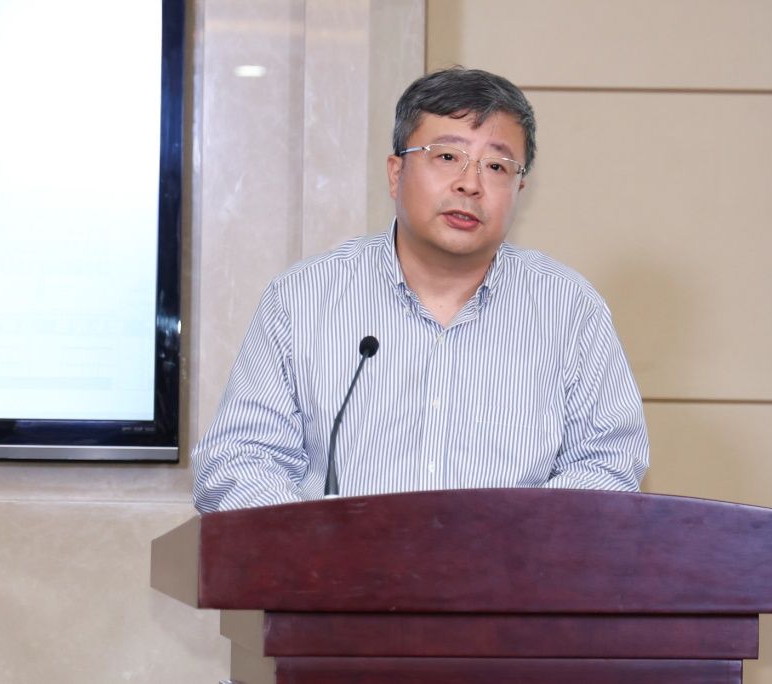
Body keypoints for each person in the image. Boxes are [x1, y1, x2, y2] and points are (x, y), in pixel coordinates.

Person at [192, 67, 649, 513]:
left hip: (507, 565)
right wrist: (317, 547)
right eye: (447, 157)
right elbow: (238, 459)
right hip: (332, 565)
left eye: (496, 166)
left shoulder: (568, 309)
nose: (470, 184)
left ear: (519, 188)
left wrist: (505, 545)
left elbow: (607, 464)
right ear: (396, 173)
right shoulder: (304, 298)